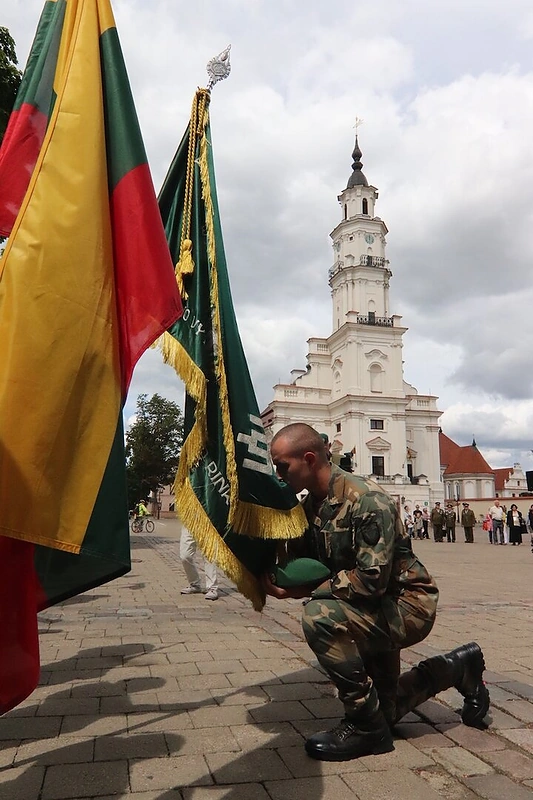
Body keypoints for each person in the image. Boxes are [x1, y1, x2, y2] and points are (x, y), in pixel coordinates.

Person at [263, 423, 489, 762]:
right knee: (388, 711)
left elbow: (371, 580)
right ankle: (459, 667)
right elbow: (300, 560)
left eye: (283, 467)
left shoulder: (366, 500)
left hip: (404, 605)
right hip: (368, 607)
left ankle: (364, 726)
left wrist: (308, 590)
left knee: (319, 616)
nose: (279, 475)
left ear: (309, 459)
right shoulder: (311, 506)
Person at [180, 527, 219, 600]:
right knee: (185, 556)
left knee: (209, 555)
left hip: (207, 522)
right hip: (188, 521)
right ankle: (195, 584)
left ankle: (212, 588)